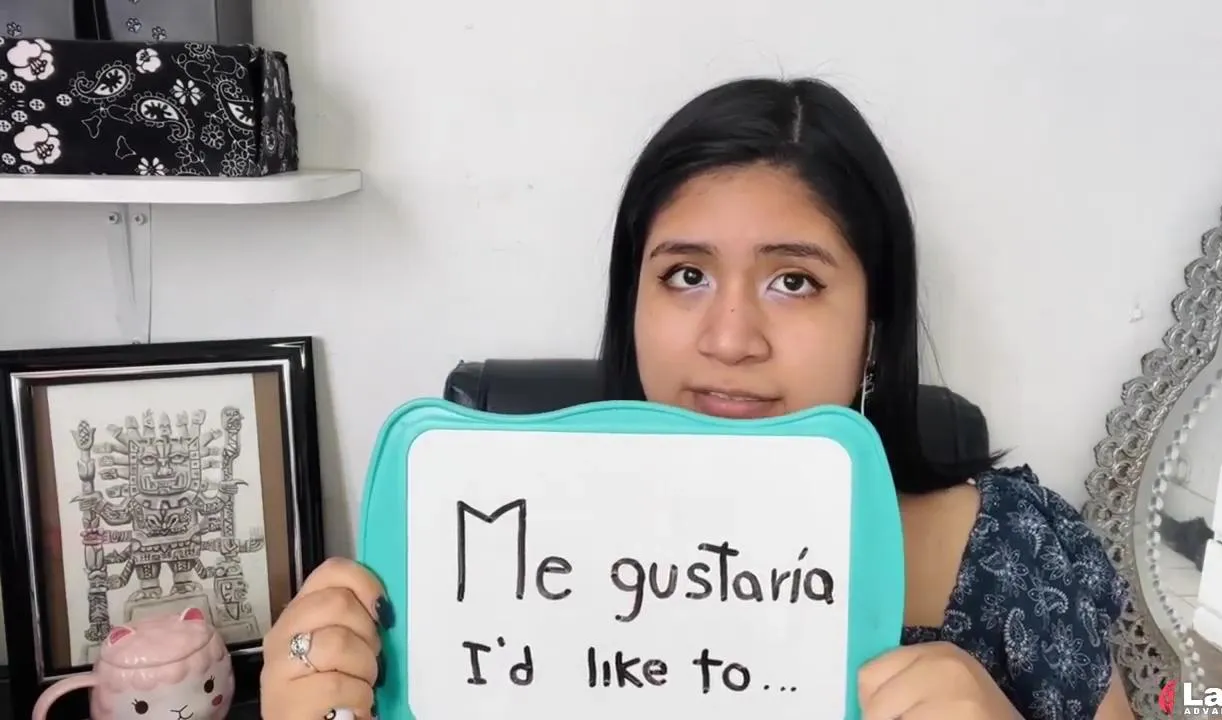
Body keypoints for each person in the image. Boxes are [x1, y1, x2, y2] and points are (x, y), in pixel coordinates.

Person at [259, 77, 1135, 720]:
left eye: (794, 281)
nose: (730, 338)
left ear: (873, 327)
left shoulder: (1019, 553)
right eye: (685, 275)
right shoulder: (477, 558)